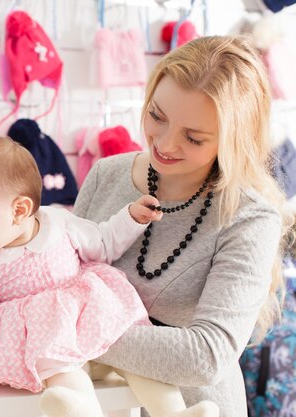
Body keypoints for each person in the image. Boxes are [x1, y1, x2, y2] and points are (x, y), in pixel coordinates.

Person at [0, 137, 219, 417]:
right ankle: (76, 408)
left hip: (90, 320)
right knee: (63, 374)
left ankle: (176, 413)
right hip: (47, 340)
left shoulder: (60, 223)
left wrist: (131, 218)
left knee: (141, 366)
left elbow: (103, 243)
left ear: (19, 210)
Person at [73, 35, 294, 417]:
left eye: (193, 137)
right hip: (96, 403)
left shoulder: (250, 217)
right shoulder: (105, 175)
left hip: (196, 407)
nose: (165, 143)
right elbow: (65, 282)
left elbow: (207, 356)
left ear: (232, 141)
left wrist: (71, 331)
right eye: (157, 116)